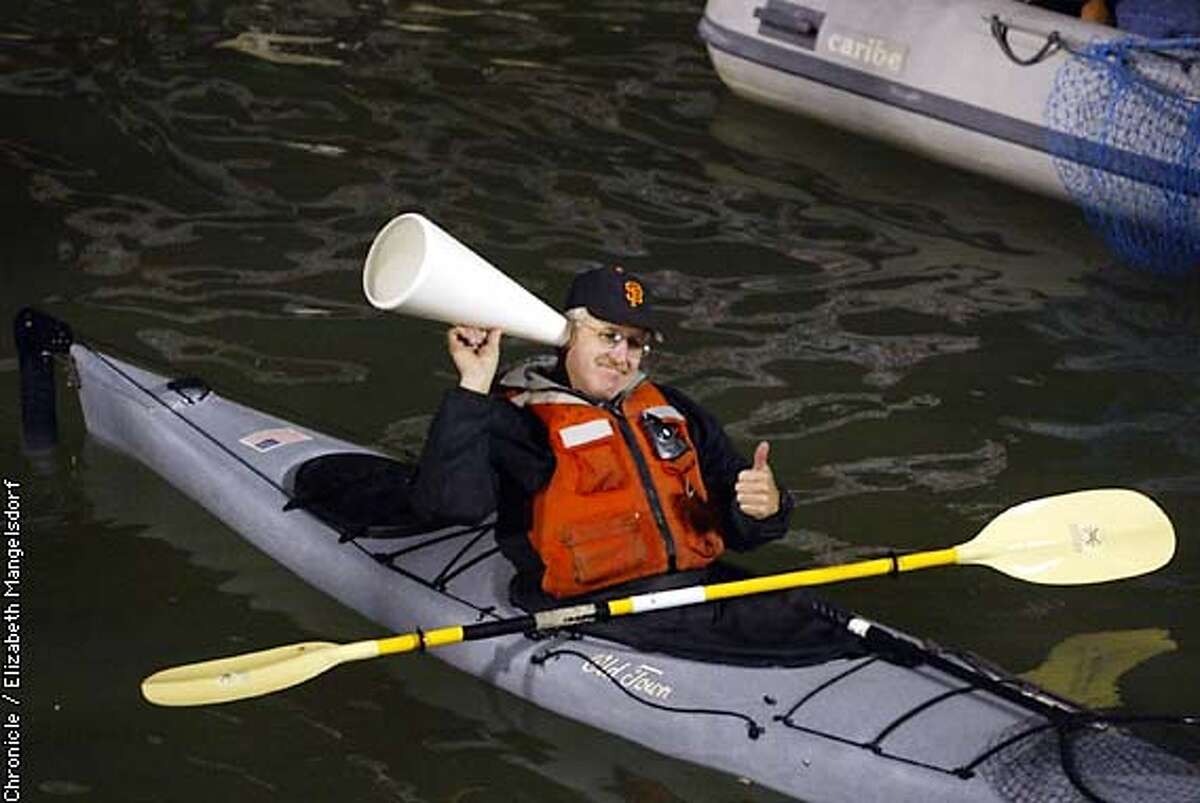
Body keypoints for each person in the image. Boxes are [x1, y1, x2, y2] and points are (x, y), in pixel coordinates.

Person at [411, 265, 863, 666]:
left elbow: (738, 528)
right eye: (608, 336)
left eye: (636, 344)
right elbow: (452, 505)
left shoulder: (671, 408)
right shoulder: (521, 420)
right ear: (567, 336)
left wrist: (763, 509)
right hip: (599, 608)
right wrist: (473, 384)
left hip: (693, 591)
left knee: (822, 623)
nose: (622, 357)